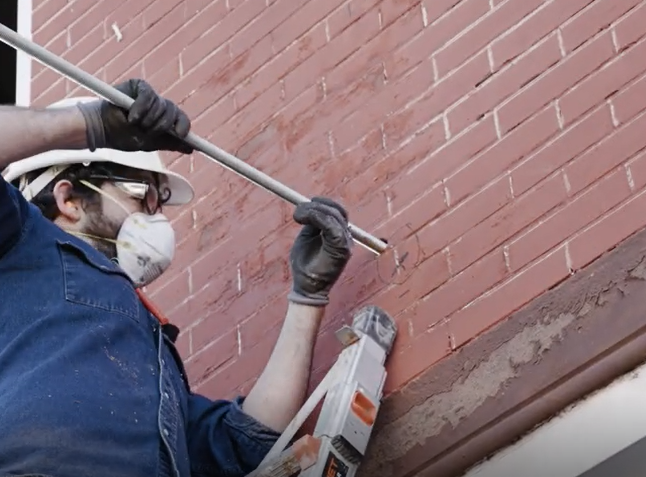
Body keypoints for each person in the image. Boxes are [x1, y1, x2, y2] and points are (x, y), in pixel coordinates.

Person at [0, 79, 353, 477]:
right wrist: (94, 123)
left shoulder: (148, 357)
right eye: (145, 198)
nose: (158, 219)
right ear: (69, 200)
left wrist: (308, 296)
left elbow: (244, 443)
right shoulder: (19, 249)